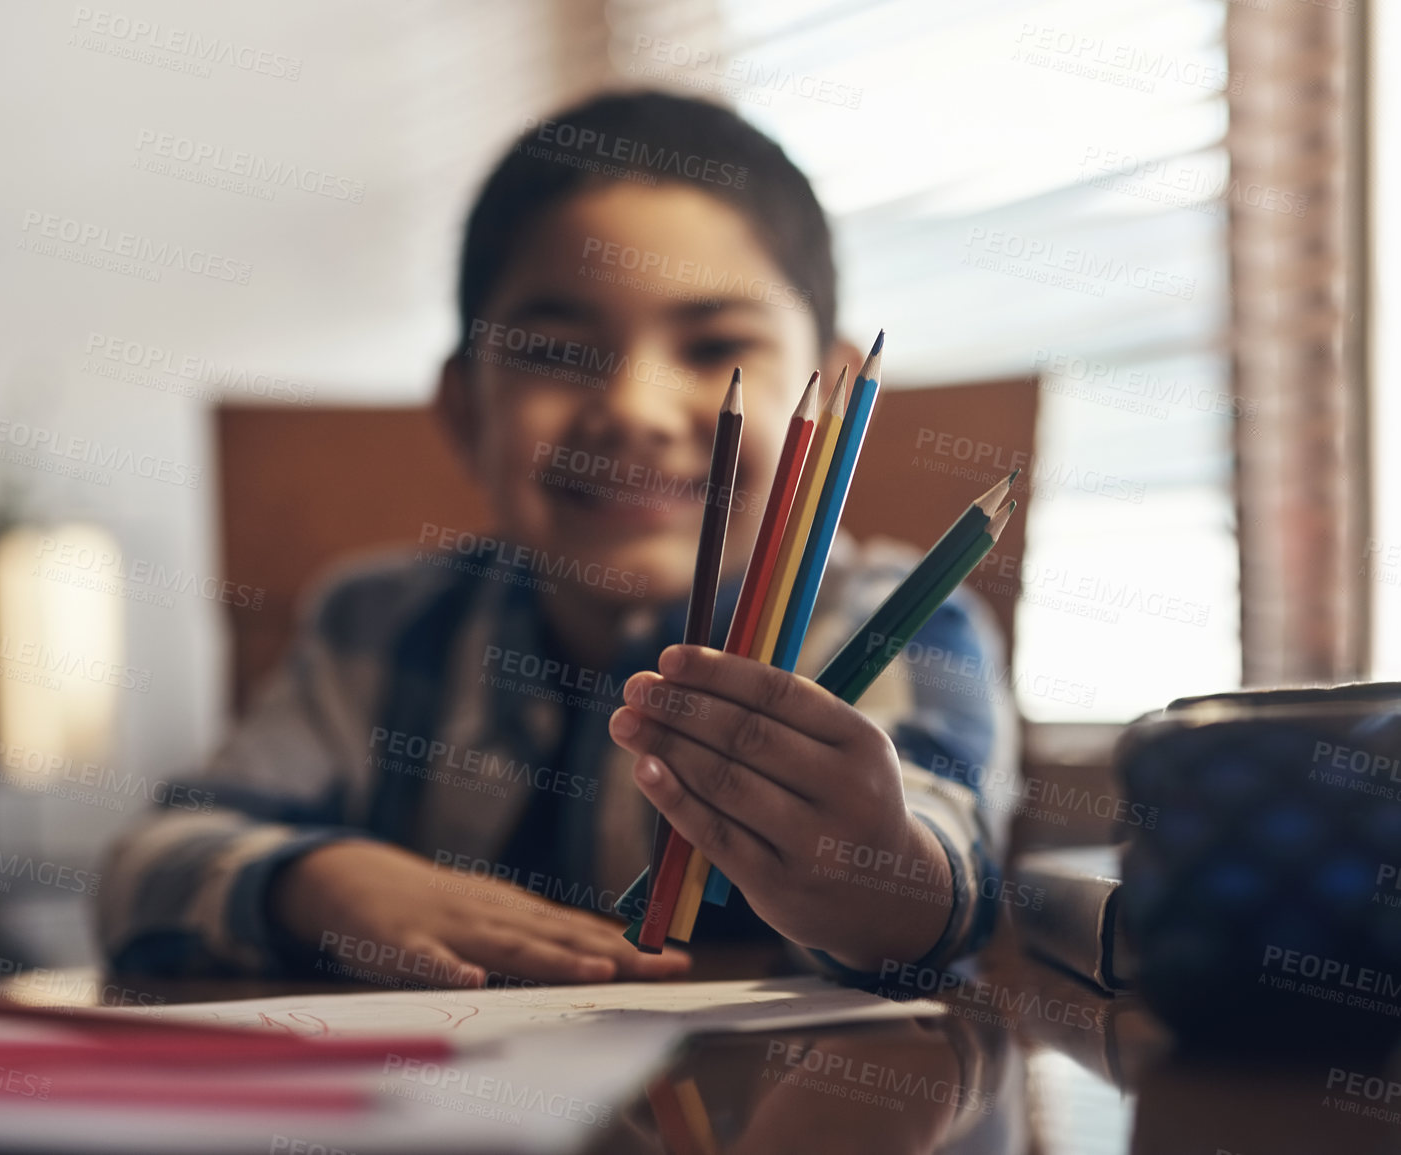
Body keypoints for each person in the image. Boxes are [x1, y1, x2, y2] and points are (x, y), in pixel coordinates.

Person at [97, 90, 1017, 988]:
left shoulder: (899, 622)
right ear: (465, 411)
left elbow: (946, 877)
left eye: (712, 348)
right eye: (555, 352)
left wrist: (875, 876)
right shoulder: (374, 623)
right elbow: (143, 871)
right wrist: (319, 885)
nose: (631, 410)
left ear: (836, 390)